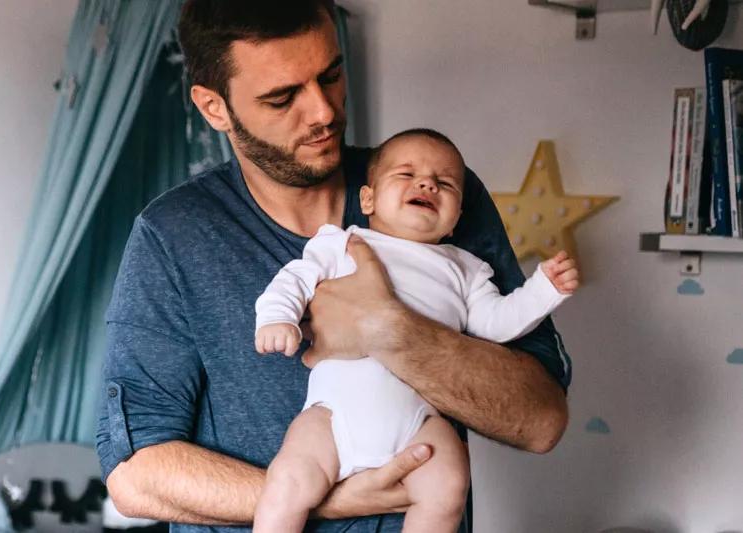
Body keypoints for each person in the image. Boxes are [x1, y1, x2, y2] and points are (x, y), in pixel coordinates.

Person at [95, 1, 572, 532]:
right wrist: (329, 497)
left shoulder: (431, 193)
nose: (323, 112)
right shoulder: (174, 235)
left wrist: (389, 330)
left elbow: (541, 421)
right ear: (214, 107)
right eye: (282, 96)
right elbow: (135, 475)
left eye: (332, 75)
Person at [252, 129, 578, 533]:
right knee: (287, 482)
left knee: (448, 483)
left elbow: (495, 324)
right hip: (333, 416)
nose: (426, 184)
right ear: (368, 199)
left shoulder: (465, 269)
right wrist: (277, 319)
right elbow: (293, 281)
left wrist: (543, 291)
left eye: (444, 183)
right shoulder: (344, 243)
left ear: (457, 216)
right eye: (406, 174)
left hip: (418, 422)